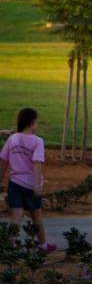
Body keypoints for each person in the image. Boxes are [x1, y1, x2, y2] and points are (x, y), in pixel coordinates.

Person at [0, 108, 57, 253]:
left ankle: (9, 246)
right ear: (32, 123)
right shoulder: (38, 141)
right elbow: (37, 163)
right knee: (36, 215)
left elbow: (3, 161)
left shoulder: (12, 139)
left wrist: (0, 180)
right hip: (31, 184)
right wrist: (37, 185)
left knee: (16, 215)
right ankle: (43, 245)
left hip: (15, 183)